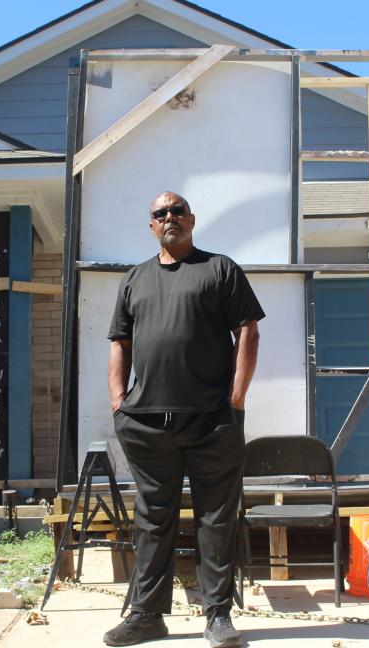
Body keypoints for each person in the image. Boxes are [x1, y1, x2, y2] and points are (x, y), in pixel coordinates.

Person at [103, 192, 264, 648]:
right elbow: (119, 342)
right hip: (148, 424)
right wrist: (119, 402)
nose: (169, 217)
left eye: (177, 211)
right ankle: (147, 615)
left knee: (216, 519)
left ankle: (217, 617)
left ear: (191, 219)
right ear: (150, 225)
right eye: (160, 213)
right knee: (153, 521)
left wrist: (236, 398)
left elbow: (248, 329)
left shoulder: (220, 269)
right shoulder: (134, 279)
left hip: (213, 421)